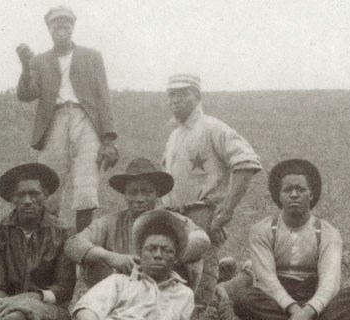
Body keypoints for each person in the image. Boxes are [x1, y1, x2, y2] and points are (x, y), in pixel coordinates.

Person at [161, 73, 261, 313]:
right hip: (172, 216)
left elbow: (247, 162)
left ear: (197, 95)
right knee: (177, 279)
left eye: (182, 94)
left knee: (202, 290)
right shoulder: (174, 135)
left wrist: (225, 212)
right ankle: (229, 277)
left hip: (201, 214)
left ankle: (228, 290)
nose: (175, 100)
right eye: (171, 95)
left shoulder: (212, 127)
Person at [227, 159, 350, 320]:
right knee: (243, 298)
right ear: (279, 195)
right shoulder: (262, 230)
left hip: (315, 298)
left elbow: (329, 281)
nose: (294, 195)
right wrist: (294, 310)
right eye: (287, 190)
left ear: (311, 194)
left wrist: (308, 311)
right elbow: (266, 279)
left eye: (300, 189)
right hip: (275, 301)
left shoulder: (328, 233)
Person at [15, 5, 119, 231]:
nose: (61, 28)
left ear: (73, 26)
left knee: (86, 186)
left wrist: (108, 139)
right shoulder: (39, 60)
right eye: (55, 24)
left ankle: (82, 245)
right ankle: (48, 245)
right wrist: (25, 66)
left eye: (66, 23)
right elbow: (26, 94)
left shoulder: (91, 56)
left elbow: (103, 96)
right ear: (49, 28)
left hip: (85, 121)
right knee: (48, 183)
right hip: (54, 121)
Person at [0, 163, 77, 320]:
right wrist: (1, 306)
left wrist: (28, 299)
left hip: (47, 307)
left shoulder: (64, 233)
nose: (27, 201)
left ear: (45, 195)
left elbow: (64, 288)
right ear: (12, 198)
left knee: (18, 314)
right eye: (20, 195)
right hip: (2, 303)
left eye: (34, 194)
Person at [65, 157, 210, 287]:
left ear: (157, 194)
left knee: (194, 260)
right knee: (93, 258)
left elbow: (201, 238)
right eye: (133, 192)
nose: (139, 199)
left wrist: (169, 257)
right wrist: (110, 257)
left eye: (147, 192)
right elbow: (74, 243)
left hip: (163, 290)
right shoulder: (110, 222)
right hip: (118, 292)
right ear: (125, 195)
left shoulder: (171, 219)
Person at [71, 210, 197, 320]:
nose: (158, 255)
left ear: (175, 258)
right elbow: (86, 310)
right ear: (140, 254)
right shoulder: (119, 282)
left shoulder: (184, 294)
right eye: (151, 249)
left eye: (166, 250)